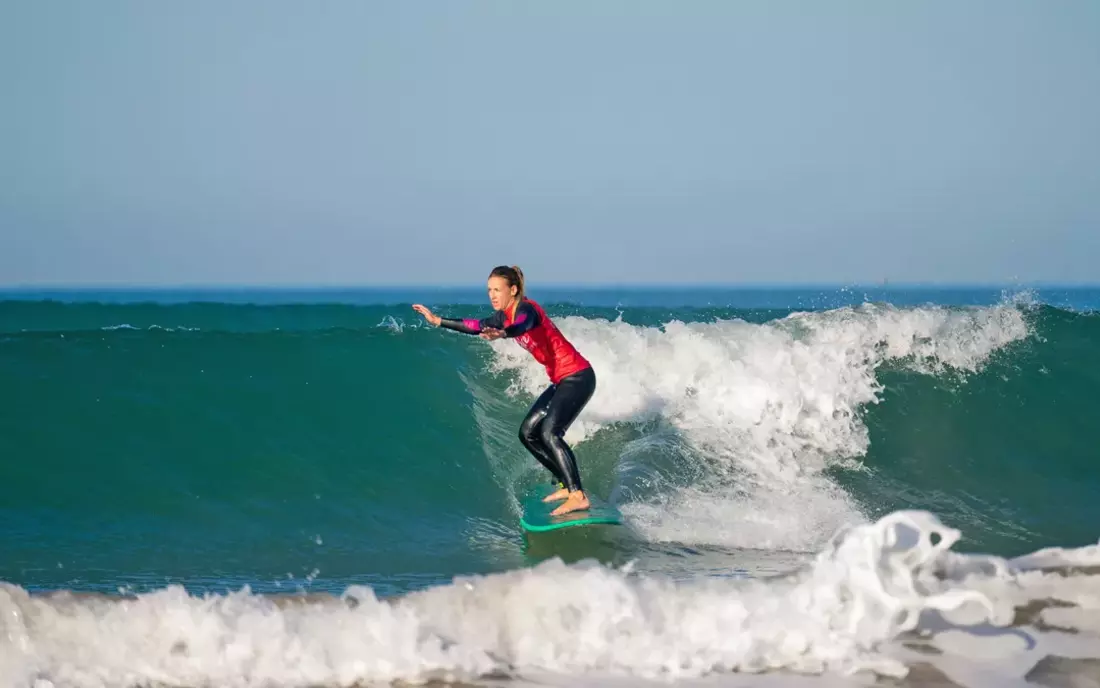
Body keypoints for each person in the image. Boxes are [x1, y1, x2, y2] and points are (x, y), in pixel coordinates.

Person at [412, 266, 596, 516]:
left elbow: (523, 324)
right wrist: (438, 321)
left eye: (497, 290)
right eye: (489, 290)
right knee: (528, 433)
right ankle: (565, 483)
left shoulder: (526, 310)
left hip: (578, 376)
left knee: (550, 433)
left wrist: (504, 333)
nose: (492, 295)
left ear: (513, 290)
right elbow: (474, 325)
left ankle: (578, 495)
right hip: (561, 381)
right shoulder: (501, 317)